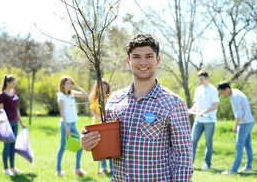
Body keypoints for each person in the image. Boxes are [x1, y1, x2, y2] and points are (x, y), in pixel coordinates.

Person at [81, 33, 193, 181]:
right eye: (136, 57)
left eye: (148, 56)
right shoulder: (114, 101)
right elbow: (103, 142)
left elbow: (183, 156)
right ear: (128, 61)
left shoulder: (173, 103)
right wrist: (87, 140)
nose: (142, 62)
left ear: (157, 60)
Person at [217, 82, 254, 174]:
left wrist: (235, 126)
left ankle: (234, 169)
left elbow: (239, 114)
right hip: (250, 122)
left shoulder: (234, 97)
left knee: (239, 147)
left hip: (244, 123)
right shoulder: (237, 91)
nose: (223, 95)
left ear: (227, 89)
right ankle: (248, 166)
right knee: (248, 145)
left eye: (222, 92)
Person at [56, 76, 89, 178]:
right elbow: (62, 113)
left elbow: (85, 95)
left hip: (73, 123)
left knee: (80, 145)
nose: (70, 85)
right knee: (62, 147)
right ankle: (58, 170)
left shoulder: (72, 93)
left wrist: (77, 86)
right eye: (68, 83)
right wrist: (66, 128)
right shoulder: (61, 96)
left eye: (71, 83)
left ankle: (77, 169)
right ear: (63, 85)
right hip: (65, 124)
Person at [188, 70, 219, 170]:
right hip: (198, 120)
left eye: (201, 79)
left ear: (207, 78)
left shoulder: (213, 90)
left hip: (209, 121)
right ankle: (189, 163)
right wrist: (191, 110)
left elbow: (215, 106)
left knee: (208, 142)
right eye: (199, 79)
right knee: (193, 141)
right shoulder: (198, 89)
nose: (200, 81)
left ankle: (207, 164)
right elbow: (197, 104)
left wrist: (206, 111)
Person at [0, 74, 26, 176]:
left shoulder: (14, 92)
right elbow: (0, 111)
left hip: (15, 122)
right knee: (7, 145)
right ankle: (6, 169)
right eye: (13, 83)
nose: (15, 85)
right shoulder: (2, 95)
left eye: (15, 83)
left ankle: (12, 168)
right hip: (7, 123)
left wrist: (21, 122)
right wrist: (3, 124)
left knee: (13, 145)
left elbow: (16, 108)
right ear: (8, 83)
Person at [89, 78, 113, 174]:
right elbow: (93, 111)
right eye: (101, 87)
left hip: (107, 124)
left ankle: (112, 167)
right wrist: (99, 118)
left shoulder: (110, 97)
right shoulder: (95, 98)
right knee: (101, 147)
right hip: (97, 123)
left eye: (105, 87)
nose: (103, 89)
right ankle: (103, 167)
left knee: (110, 147)